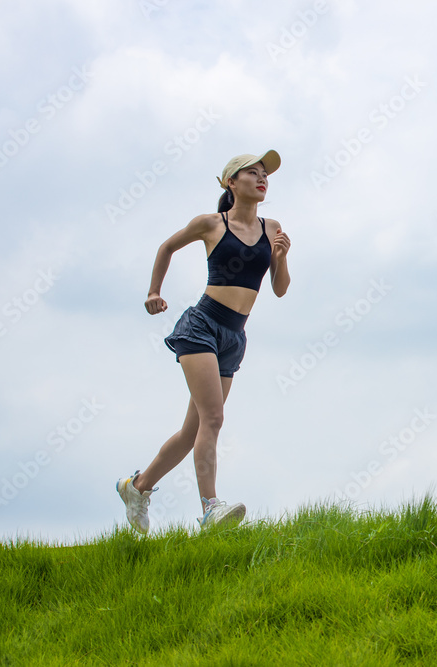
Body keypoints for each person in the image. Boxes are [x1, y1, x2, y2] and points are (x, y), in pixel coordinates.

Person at [116, 151, 291, 533]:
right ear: (232, 182)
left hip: (234, 337)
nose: (262, 179)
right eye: (253, 173)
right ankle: (211, 507)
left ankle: (137, 487)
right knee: (213, 418)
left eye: (266, 175)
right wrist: (153, 292)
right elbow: (167, 247)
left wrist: (281, 257)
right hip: (202, 326)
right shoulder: (210, 223)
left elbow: (279, 289)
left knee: (193, 431)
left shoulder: (272, 227)